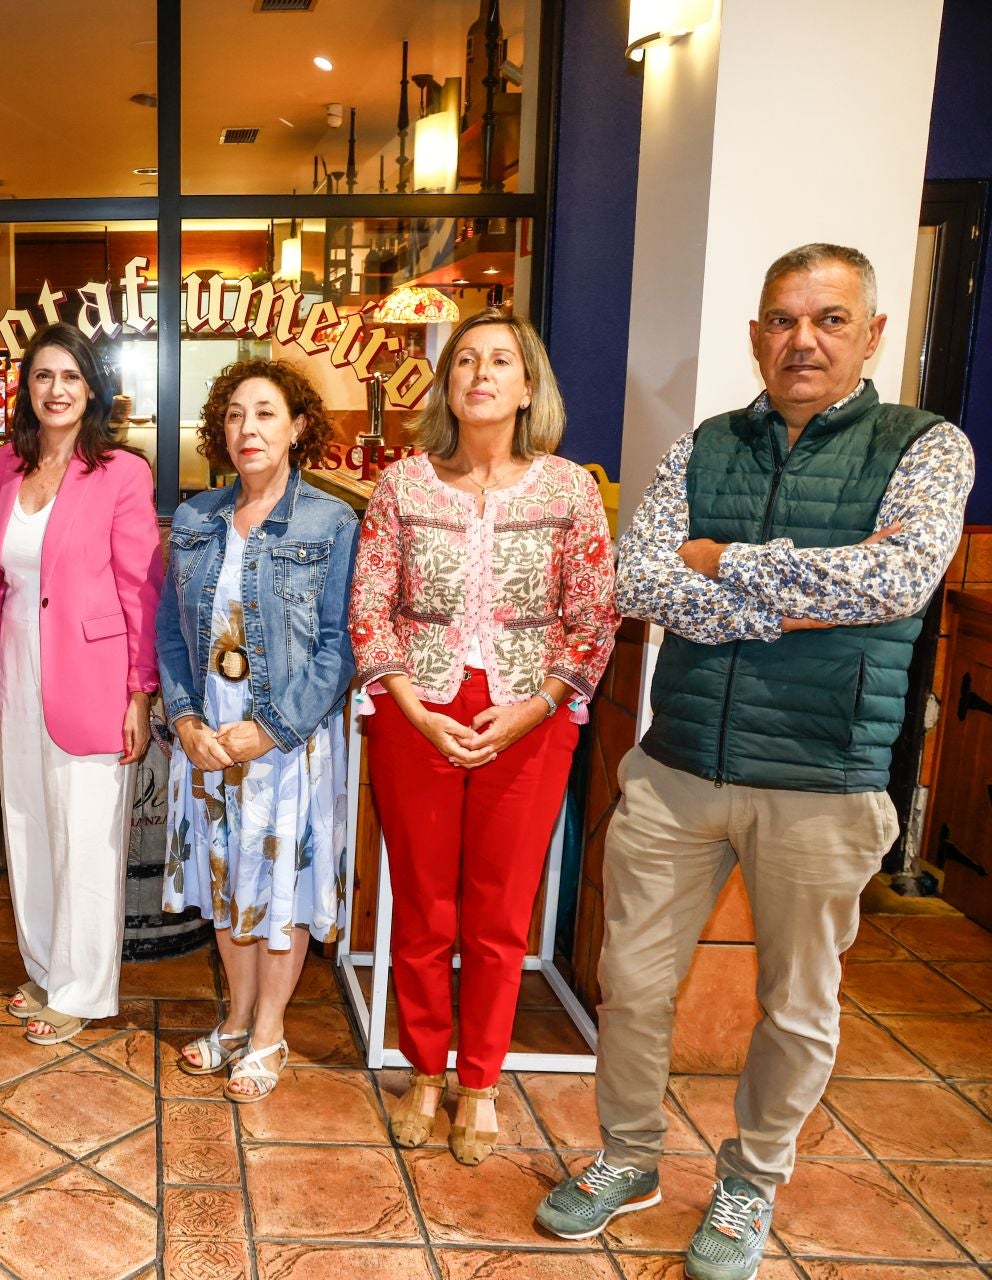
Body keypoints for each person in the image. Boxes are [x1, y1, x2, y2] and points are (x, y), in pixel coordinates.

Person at [535, 244, 974, 1280]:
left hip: (827, 780)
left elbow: (897, 580)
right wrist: (794, 597)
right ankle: (629, 1155)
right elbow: (638, 576)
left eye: (828, 318)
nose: (802, 338)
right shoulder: (705, 446)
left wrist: (723, 563)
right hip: (681, 761)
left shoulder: (926, 447)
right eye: (782, 319)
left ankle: (752, 1176)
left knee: (797, 1004)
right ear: (755, 335)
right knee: (630, 980)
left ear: (870, 331)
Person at [352, 308, 616, 1162]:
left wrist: (537, 705)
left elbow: (593, 620)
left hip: (531, 718)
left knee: (498, 915)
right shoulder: (401, 485)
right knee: (425, 907)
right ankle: (425, 1070)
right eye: (465, 360)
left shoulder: (570, 488)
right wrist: (412, 705)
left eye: (499, 360)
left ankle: (480, 1082)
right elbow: (369, 608)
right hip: (413, 711)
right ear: (447, 383)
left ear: (527, 385)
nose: (479, 373)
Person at [158, 358, 358, 1102]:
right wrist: (184, 718)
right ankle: (237, 1018)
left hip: (287, 744)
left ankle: (271, 1030)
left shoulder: (331, 522)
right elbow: (169, 633)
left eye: (266, 413)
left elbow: (341, 645)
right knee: (225, 880)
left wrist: (269, 728)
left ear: (298, 426)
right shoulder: (194, 519)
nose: (249, 428)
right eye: (236, 414)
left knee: (282, 884)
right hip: (208, 736)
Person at [0, 323, 162, 1045]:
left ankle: (83, 989)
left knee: (85, 834)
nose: (56, 390)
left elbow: (142, 588)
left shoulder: (121, 473)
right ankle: (47, 966)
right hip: (16, 668)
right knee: (27, 822)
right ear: (27, 388)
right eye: (43, 376)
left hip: (94, 676)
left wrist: (139, 690)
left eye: (70, 377)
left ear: (91, 389)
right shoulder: (1, 470)